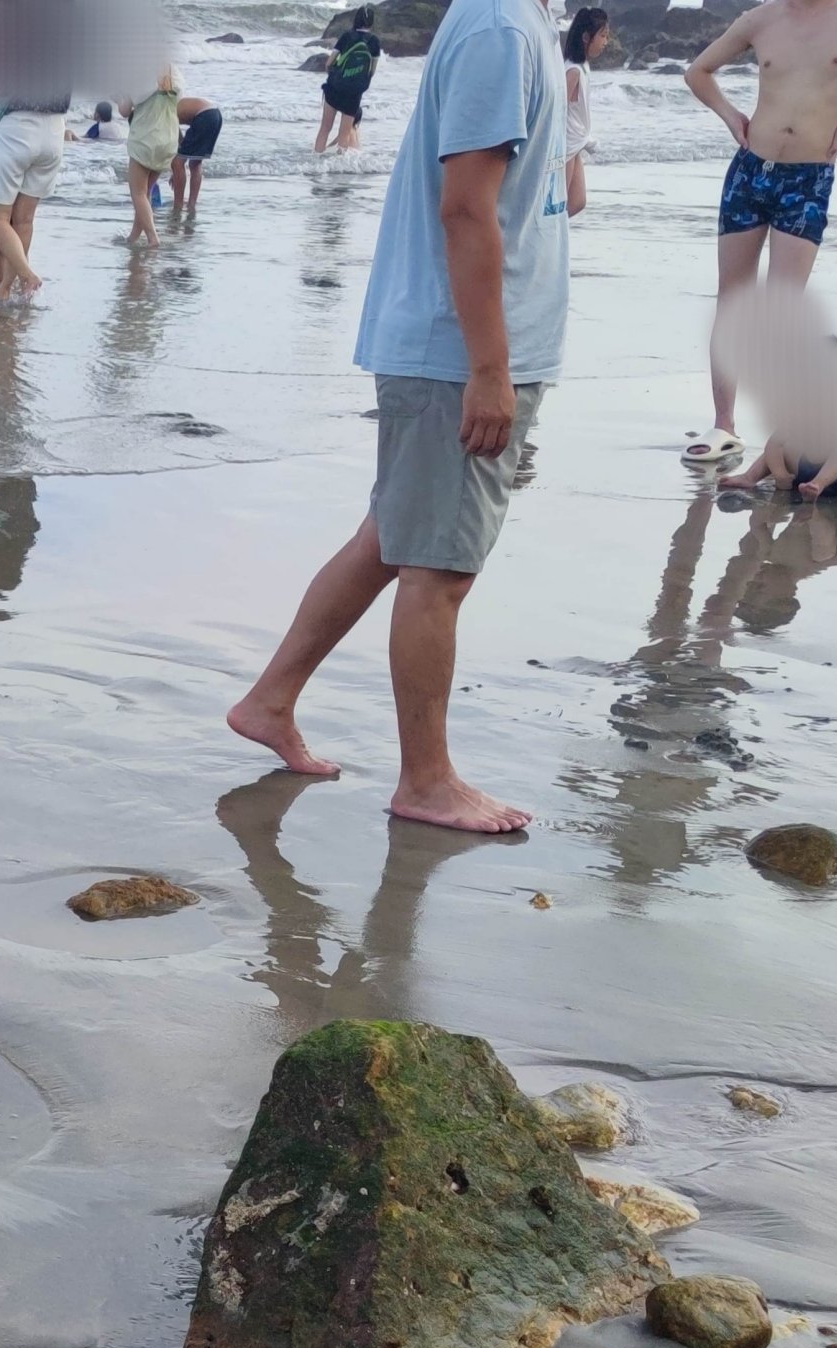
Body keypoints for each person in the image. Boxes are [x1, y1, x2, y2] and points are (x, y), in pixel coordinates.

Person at [228, 0, 571, 834]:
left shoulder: (517, 19)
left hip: (462, 347)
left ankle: (270, 701)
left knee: (391, 539)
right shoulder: (499, 26)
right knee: (439, 570)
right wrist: (488, 369)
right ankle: (426, 780)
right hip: (458, 353)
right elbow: (465, 207)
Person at [682, 0, 837, 461]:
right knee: (732, 302)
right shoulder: (762, 17)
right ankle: (724, 425)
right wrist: (730, 115)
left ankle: (790, 431)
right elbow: (698, 72)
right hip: (749, 171)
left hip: (808, 179)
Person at [0, 82, 70, 299]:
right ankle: (6, 288)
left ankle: (27, 275)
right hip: (55, 130)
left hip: (19, 126)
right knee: (24, 220)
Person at [124, 69, 183, 246]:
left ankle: (152, 238)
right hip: (168, 139)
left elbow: (125, 110)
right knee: (146, 192)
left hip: (146, 138)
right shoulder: (175, 75)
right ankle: (134, 237)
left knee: (138, 193)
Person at [561, 7, 608, 215]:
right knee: (559, 204)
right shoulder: (573, 70)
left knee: (577, 202)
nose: (606, 42)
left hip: (576, 141)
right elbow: (556, 110)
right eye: (603, 36)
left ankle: (556, 231)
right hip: (566, 144)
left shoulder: (582, 67)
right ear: (586, 37)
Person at [316, 7, 381, 153]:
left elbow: (329, 63)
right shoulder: (374, 41)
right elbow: (372, 71)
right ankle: (340, 164)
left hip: (335, 88)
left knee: (325, 129)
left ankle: (316, 161)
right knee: (344, 134)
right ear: (371, 22)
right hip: (354, 93)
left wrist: (335, 75)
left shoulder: (347, 36)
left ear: (356, 19)